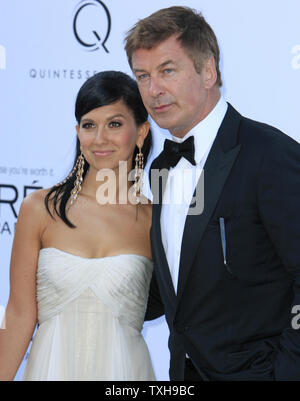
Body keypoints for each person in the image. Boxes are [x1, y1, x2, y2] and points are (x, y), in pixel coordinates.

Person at [124, 6, 300, 381]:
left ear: (209, 71)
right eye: (143, 76)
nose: (153, 90)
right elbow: (178, 287)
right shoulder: (159, 169)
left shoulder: (269, 155)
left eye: (167, 70)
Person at [0, 71, 156, 381]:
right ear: (77, 131)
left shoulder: (155, 220)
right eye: (89, 125)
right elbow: (18, 315)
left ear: (141, 132)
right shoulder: (40, 210)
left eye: (114, 124)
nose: (100, 138)